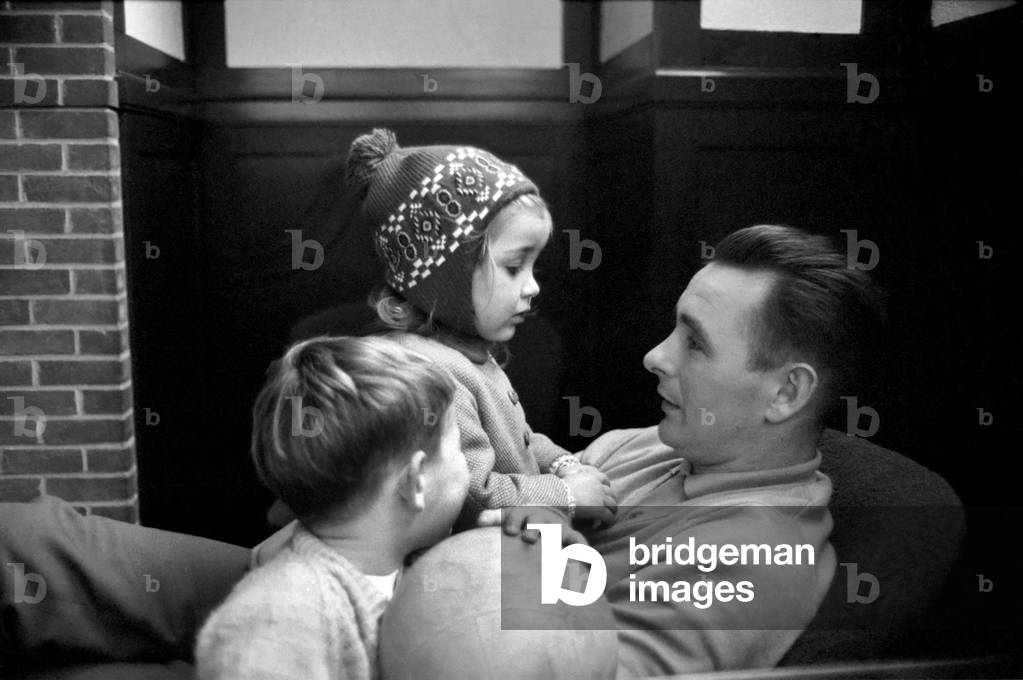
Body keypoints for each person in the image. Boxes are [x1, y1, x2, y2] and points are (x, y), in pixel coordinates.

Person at [575, 224, 885, 677]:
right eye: (674, 329)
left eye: (695, 343)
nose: (655, 356)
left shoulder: (755, 562)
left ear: (785, 393)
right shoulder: (647, 445)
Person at [348, 128, 616, 526]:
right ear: (446, 278)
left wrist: (562, 463)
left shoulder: (467, 351)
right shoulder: (432, 376)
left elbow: (518, 440)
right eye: (513, 267)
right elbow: (474, 496)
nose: (534, 286)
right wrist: (566, 495)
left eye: (533, 266)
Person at [195, 335, 469, 680]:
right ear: (416, 482)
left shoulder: (397, 562)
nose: (466, 465)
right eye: (461, 450)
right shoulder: (279, 618)